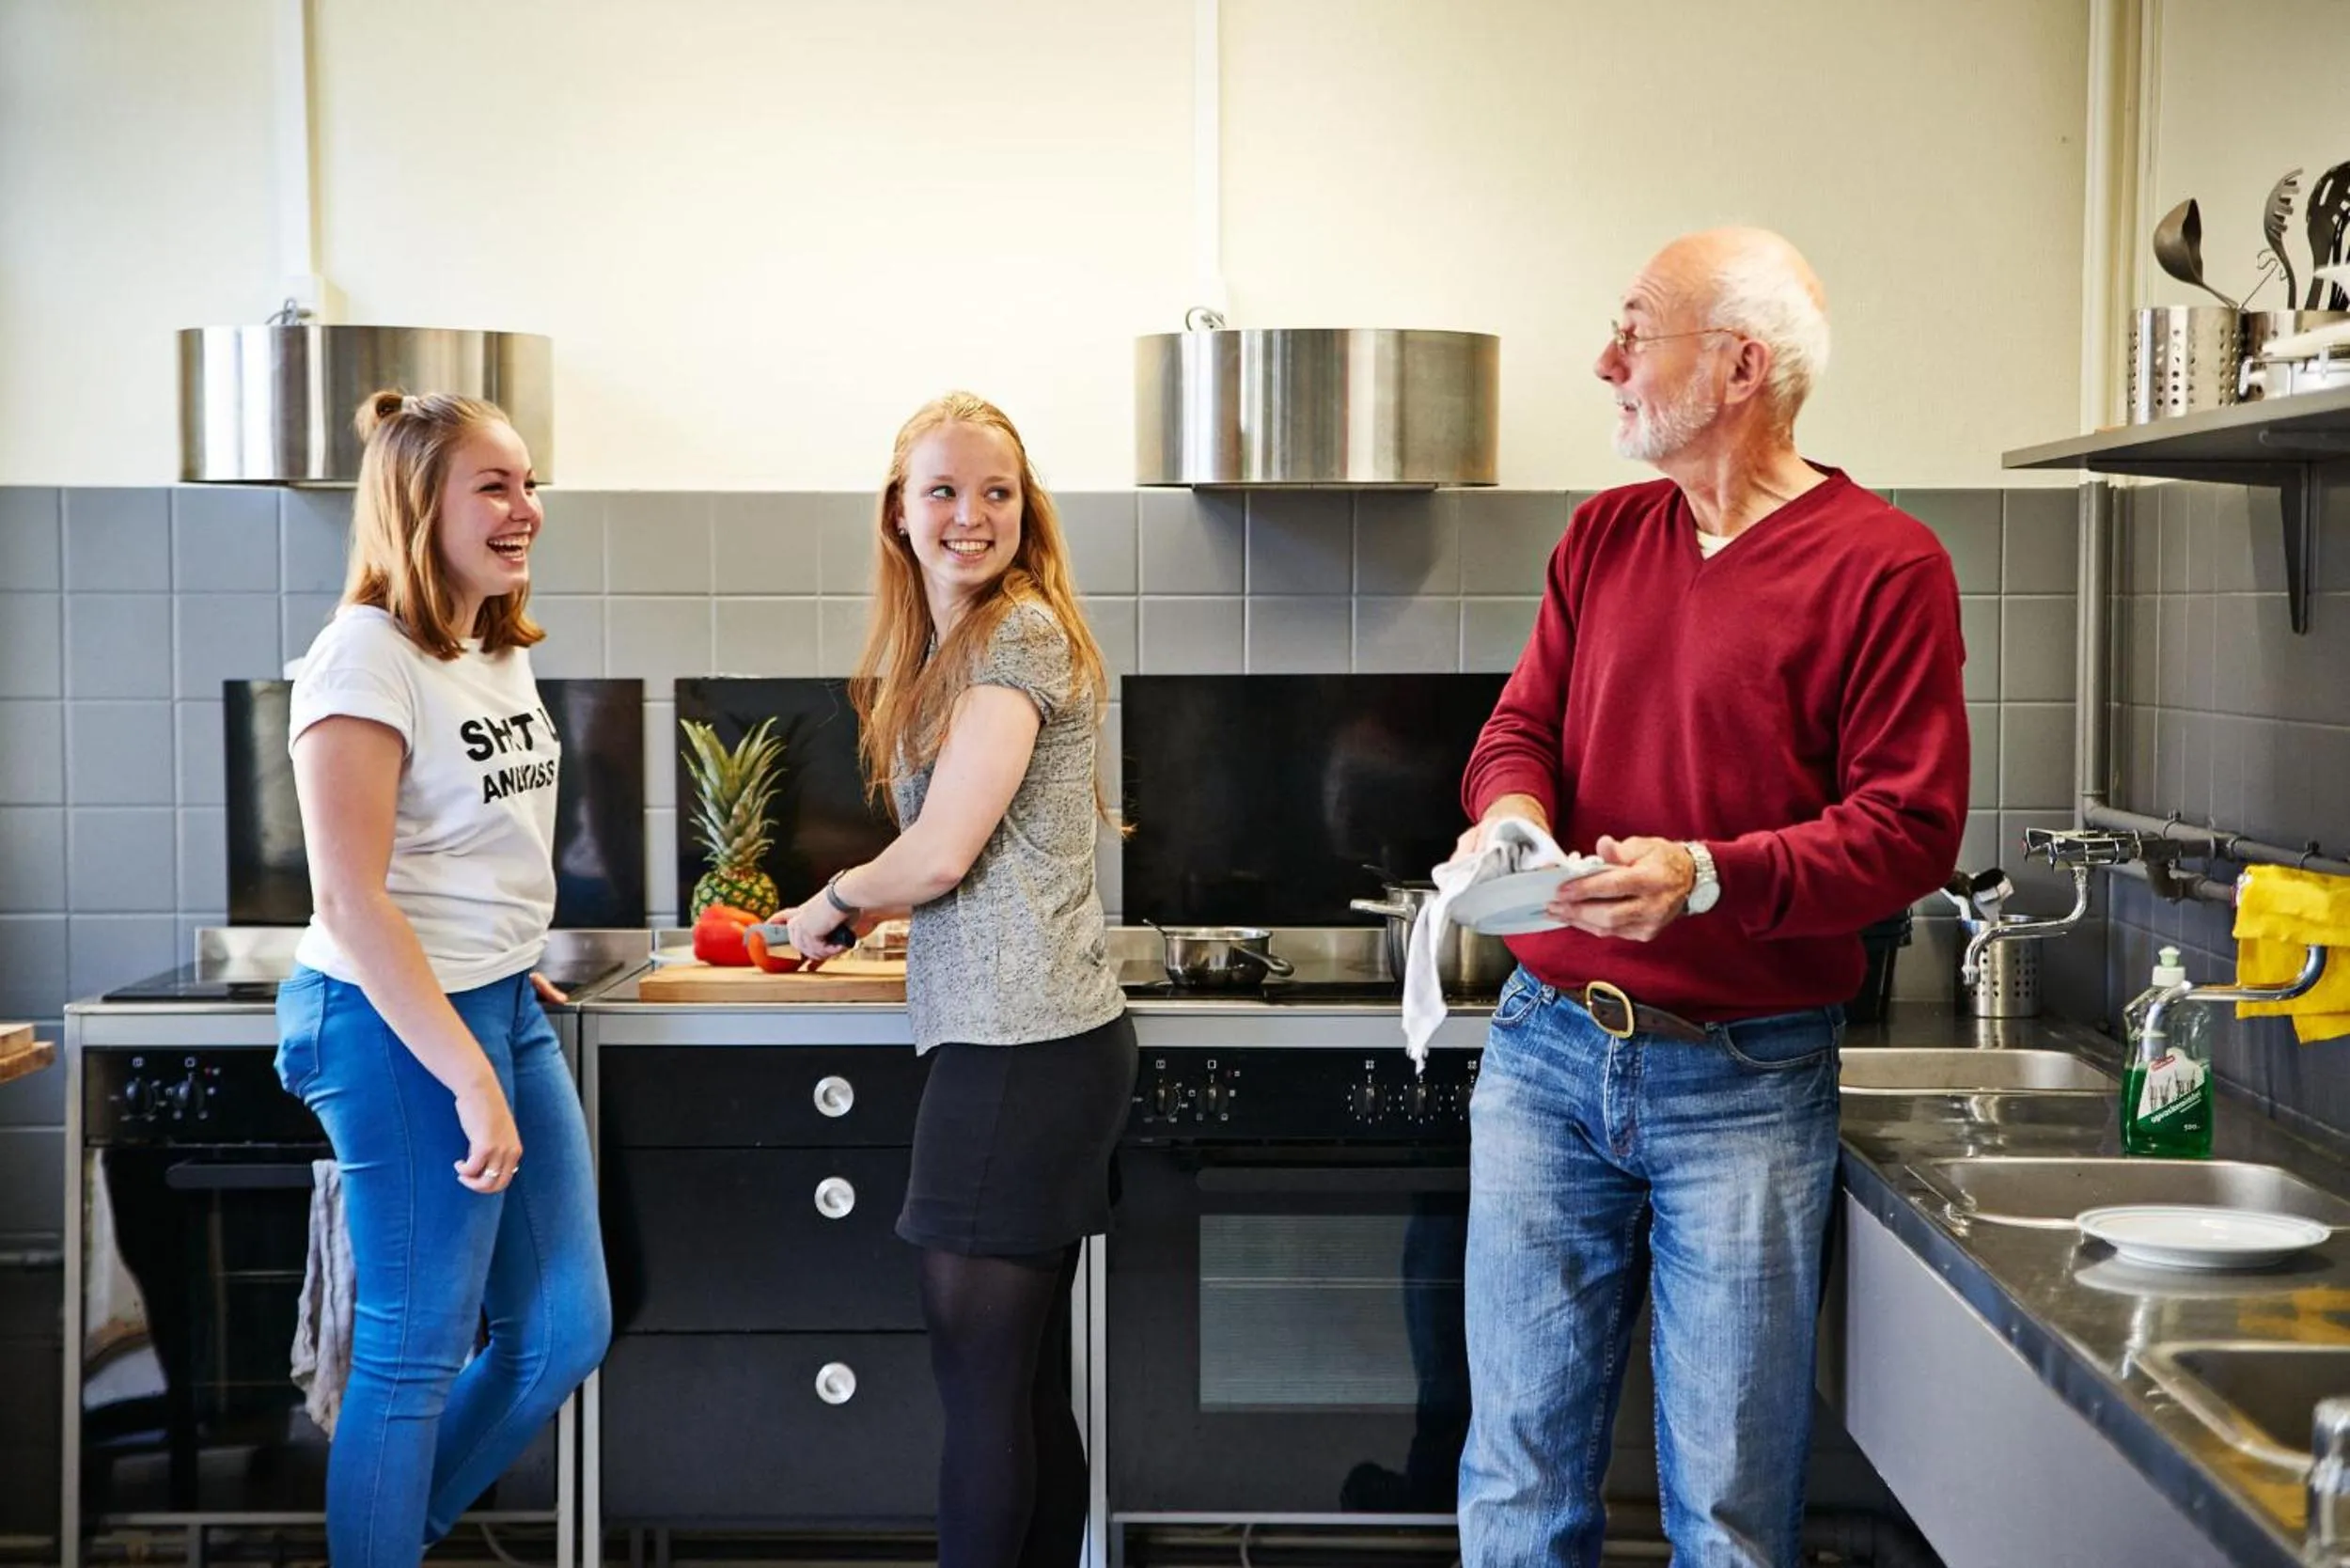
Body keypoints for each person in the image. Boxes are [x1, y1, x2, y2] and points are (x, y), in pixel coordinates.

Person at [1452, 229, 1968, 1567]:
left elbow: (1908, 829)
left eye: (1638, 332)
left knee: (1732, 1512)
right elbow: (1520, 732)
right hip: (1546, 1053)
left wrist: (1707, 878)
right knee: (1516, 1482)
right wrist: (1511, 817)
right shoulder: (1603, 536)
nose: (1607, 363)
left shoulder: (1885, 565)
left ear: (1742, 366)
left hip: (1744, 1080)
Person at [780, 391, 1134, 1568]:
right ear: (898, 512)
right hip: (1028, 1041)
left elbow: (940, 854)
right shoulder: (964, 643)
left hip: (1021, 1051)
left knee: (984, 1385)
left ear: (1026, 510)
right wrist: (887, 919)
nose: (971, 515)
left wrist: (834, 903)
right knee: (1016, 1382)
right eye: (944, 490)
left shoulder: (1016, 637)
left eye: (997, 492)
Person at [274, 390, 610, 1567]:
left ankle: (386, 1533)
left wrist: (506, 969)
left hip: (496, 1002)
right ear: (423, 505)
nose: (528, 512)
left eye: (528, 487)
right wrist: (467, 1067)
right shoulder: (361, 656)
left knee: (563, 1327)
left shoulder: (487, 642)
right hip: (388, 1022)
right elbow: (351, 902)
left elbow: (471, 855)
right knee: (415, 1349)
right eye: (497, 487)